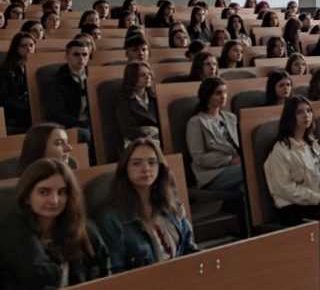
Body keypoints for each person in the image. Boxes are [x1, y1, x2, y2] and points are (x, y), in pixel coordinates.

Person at [0, 159, 109, 287]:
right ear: (26, 197)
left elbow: (104, 273)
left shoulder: (82, 227)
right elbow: (41, 278)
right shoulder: (14, 233)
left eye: (62, 192)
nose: (54, 200)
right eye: (44, 192)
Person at [98, 139, 198, 272]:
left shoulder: (171, 206)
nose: (146, 169)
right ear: (125, 168)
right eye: (136, 163)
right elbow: (116, 272)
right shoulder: (111, 218)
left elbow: (190, 250)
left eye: (152, 162)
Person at [263, 95, 320, 229]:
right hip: (293, 207)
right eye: (300, 112)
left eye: (309, 111)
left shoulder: (312, 144)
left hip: (316, 200)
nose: (306, 115)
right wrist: (319, 199)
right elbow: (285, 189)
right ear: (290, 117)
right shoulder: (280, 149)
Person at [186, 77, 243, 192]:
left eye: (225, 92)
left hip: (235, 166)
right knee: (249, 169)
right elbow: (199, 157)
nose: (223, 96)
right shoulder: (196, 122)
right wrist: (230, 160)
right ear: (207, 96)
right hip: (212, 174)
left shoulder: (231, 117)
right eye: (218, 93)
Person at [47, 40, 92, 143]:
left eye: (84, 54)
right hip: (70, 125)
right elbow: (55, 114)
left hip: (92, 122)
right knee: (84, 134)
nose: (81, 58)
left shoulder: (93, 76)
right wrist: (81, 123)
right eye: (76, 54)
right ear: (67, 56)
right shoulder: (57, 81)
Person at [115, 62, 160, 145]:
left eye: (149, 74)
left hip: (157, 136)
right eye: (142, 75)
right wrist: (148, 140)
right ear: (131, 77)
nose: (148, 77)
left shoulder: (154, 97)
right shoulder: (124, 101)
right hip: (136, 141)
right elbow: (128, 129)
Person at [0, 32, 35, 133]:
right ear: (16, 49)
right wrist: (28, 107)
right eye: (23, 46)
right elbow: (4, 98)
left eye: (31, 45)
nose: (29, 48)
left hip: (31, 106)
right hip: (15, 110)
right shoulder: (7, 70)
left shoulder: (39, 67)